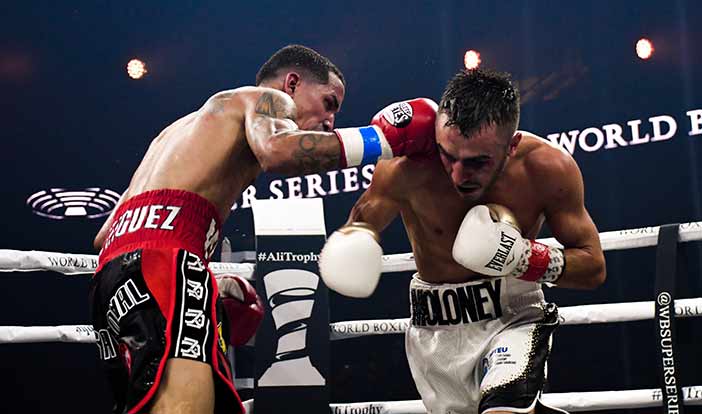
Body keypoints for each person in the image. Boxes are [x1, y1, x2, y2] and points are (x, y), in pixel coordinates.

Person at [91, 43, 437, 414]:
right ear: (291, 84)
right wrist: (382, 140)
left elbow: (106, 235)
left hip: (112, 277)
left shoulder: (174, 133)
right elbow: (278, 152)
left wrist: (208, 280)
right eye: (329, 103)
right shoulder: (261, 100)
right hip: (167, 264)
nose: (331, 122)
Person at [319, 68, 606, 414]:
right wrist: (355, 238)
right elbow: (361, 224)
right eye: (448, 155)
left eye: (477, 162)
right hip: (434, 331)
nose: (458, 174)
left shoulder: (546, 169)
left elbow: (593, 266)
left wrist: (524, 258)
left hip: (513, 319)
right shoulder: (406, 167)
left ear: (511, 146)